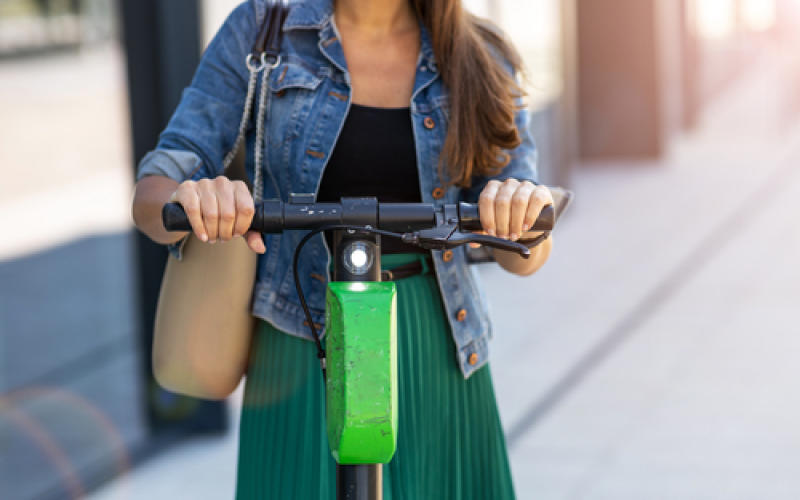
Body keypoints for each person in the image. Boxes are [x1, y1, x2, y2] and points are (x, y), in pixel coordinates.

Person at [131, 0, 554, 497]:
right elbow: (155, 192)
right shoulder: (264, 27)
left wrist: (521, 211)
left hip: (436, 348)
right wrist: (194, 199)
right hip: (299, 342)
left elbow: (525, 252)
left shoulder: (479, 50)